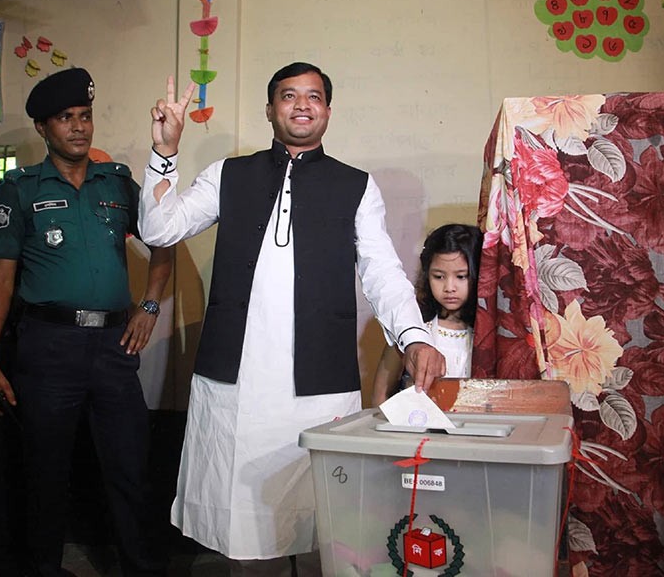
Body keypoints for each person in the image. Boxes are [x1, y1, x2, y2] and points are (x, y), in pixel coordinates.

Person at [139, 62, 446, 576]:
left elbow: (383, 271)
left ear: (328, 110)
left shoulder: (355, 186)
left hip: (318, 385)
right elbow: (160, 228)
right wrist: (166, 151)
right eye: (288, 95)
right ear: (270, 109)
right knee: (245, 533)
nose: (302, 104)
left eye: (314, 96)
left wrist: (413, 335)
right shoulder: (228, 175)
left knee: (322, 527)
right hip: (236, 384)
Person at [0, 67, 171, 577]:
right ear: (43, 127)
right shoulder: (19, 190)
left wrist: (149, 305)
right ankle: (43, 567)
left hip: (113, 346)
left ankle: (140, 567)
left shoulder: (117, 183)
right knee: (45, 471)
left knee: (130, 467)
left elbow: (165, 240)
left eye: (85, 116)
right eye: (66, 118)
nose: (80, 127)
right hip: (48, 347)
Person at [371, 223, 483, 406]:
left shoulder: (489, 334)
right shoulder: (412, 330)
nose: (449, 288)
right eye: (439, 276)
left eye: (461, 276)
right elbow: (380, 395)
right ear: (426, 275)